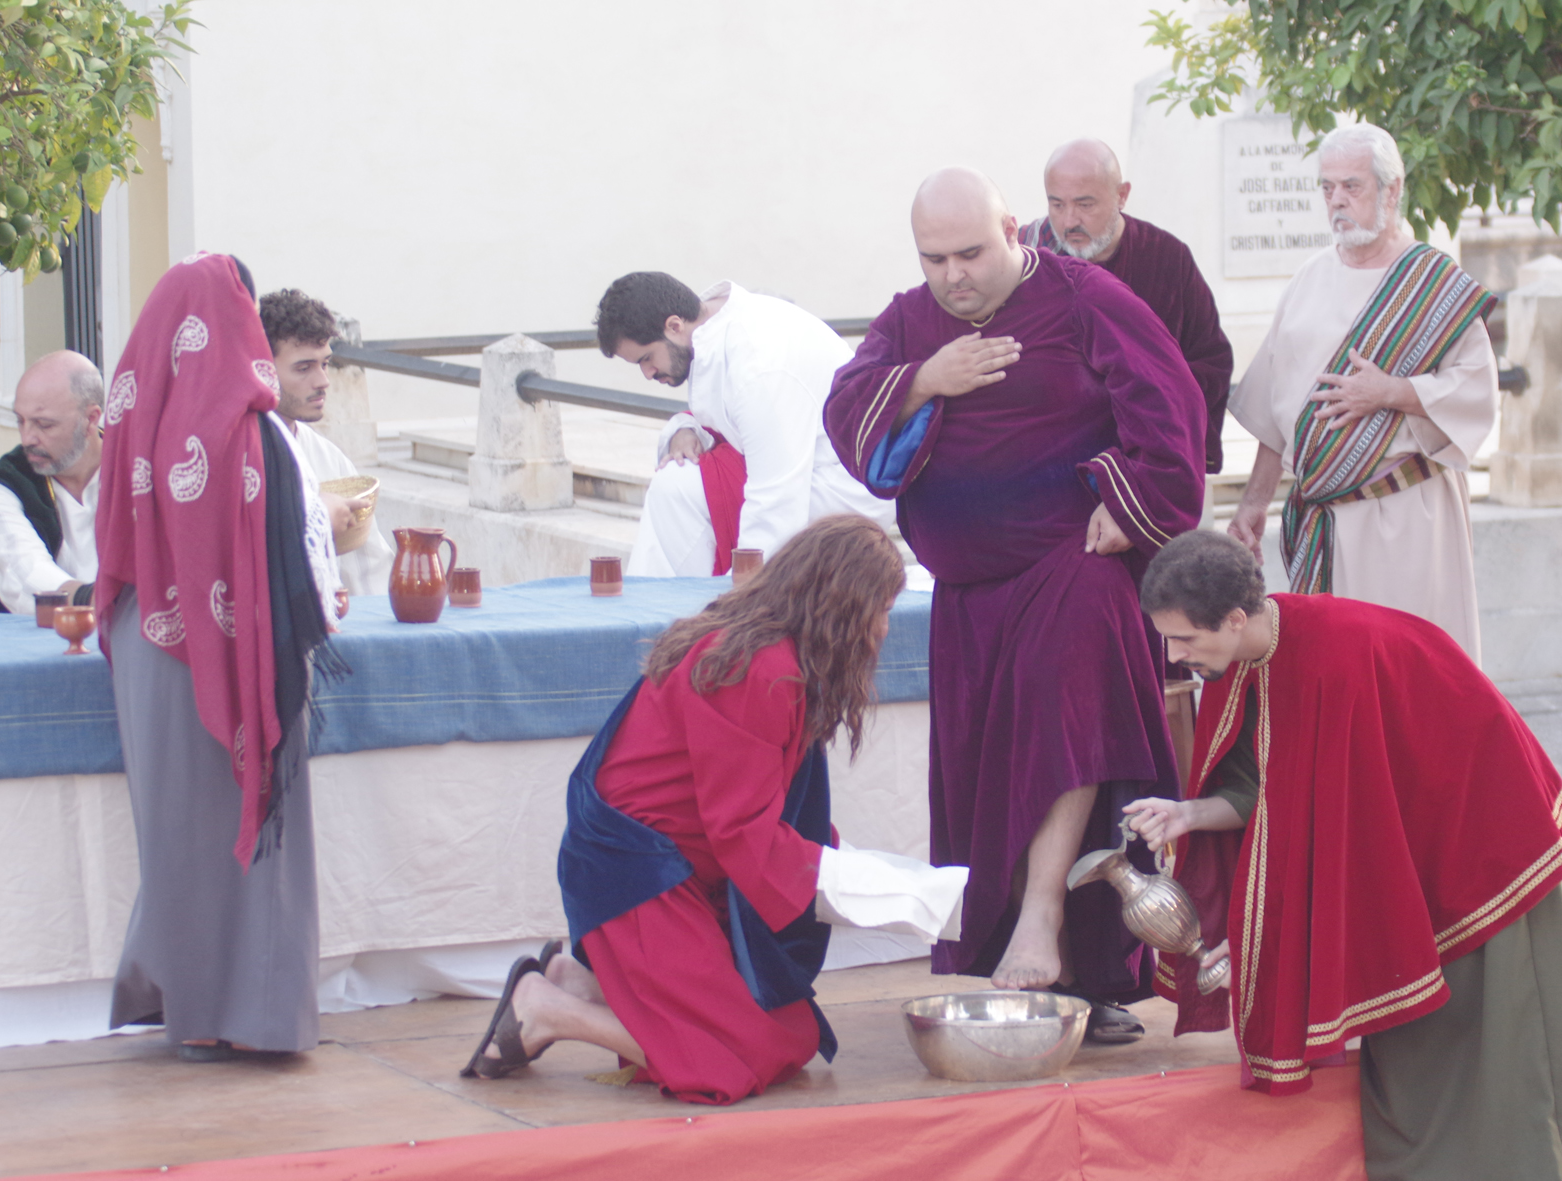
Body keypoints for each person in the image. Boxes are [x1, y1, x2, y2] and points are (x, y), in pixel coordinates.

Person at [822, 167, 1206, 1040]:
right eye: (934, 259)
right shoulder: (909, 321)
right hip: (969, 595)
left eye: (969, 253)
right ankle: (1055, 979)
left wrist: (1132, 499)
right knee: (989, 776)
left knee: (1067, 727)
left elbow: (1173, 405)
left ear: (1011, 231)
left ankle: (1047, 917)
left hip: (1073, 566)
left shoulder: (1084, 298)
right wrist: (926, 377)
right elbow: (847, 411)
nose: (952, 275)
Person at [1130, 530, 1562, 1180]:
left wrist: (1265, 939)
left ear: (1236, 618)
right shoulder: (1238, 663)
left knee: (1507, 1039)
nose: (1174, 655)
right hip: (1403, 841)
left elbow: (1325, 819)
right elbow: (1267, 795)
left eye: (1185, 639)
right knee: (1414, 1044)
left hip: (1478, 836)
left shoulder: (1337, 659)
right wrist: (1188, 813)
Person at [462, 515, 964, 1104]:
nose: (883, 628)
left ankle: (578, 981)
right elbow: (744, 833)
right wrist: (897, 893)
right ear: (843, 607)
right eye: (881, 610)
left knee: (792, 1033)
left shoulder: (770, 650)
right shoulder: (760, 667)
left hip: (680, 871)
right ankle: (546, 1010)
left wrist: (877, 879)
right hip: (637, 874)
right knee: (731, 1062)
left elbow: (766, 811)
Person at [96, 252, 346, 1061]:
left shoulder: (134, 411)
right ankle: (253, 1015)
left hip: (145, 635)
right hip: (230, 648)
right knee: (252, 820)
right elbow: (286, 557)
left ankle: (184, 1002)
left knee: (175, 829)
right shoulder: (246, 429)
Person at [1225, 123, 1498, 662]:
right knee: (1334, 670)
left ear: (1392, 190)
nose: (1337, 201)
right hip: (1322, 519)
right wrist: (1254, 502)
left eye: (1352, 186)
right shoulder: (1308, 279)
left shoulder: (1432, 284)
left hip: (1407, 514)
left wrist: (1391, 391)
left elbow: (1476, 392)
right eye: (1327, 188)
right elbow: (1275, 411)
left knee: (1408, 670)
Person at [595, 272, 894, 577]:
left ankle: (676, 601)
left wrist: (742, 592)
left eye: (646, 358)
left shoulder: (757, 365)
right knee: (677, 482)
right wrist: (686, 428)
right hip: (809, 474)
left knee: (678, 491)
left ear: (674, 326)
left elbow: (776, 502)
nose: (647, 373)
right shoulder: (722, 327)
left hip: (841, 495)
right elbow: (730, 415)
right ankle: (666, 599)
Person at [1019, 139, 1235, 474]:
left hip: (1143, 459)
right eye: (1057, 205)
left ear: (1122, 195)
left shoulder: (1167, 258)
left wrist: (1154, 408)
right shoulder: (1028, 258)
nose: (1069, 221)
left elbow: (1210, 359)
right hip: (1050, 461)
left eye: (1084, 204)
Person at [259, 288, 393, 596]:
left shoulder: (330, 460)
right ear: (262, 368)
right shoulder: (236, 457)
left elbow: (371, 572)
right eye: (303, 368)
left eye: (325, 364)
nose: (323, 381)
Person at [0, 351, 105, 613]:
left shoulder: (139, 470)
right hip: (26, 639)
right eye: (20, 421)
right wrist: (112, 604)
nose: (27, 438)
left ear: (91, 419)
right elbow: (27, 577)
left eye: (44, 424)